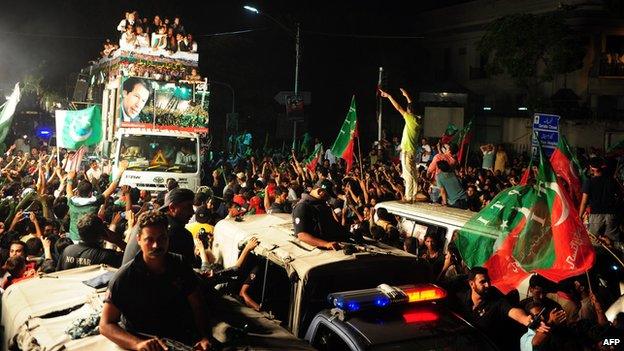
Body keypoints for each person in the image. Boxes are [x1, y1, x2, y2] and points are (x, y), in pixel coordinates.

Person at [100, 211, 212, 350]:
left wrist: (203, 336)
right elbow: (105, 325)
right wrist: (137, 344)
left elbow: (198, 306)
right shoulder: (124, 277)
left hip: (180, 336)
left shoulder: (180, 264)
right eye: (149, 239)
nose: (156, 245)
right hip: (144, 340)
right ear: (139, 239)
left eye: (162, 238)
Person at [456, 267, 548, 351]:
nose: (487, 285)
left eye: (488, 281)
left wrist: (526, 320)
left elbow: (512, 311)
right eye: (482, 282)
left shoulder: (496, 299)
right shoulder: (460, 298)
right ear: (472, 284)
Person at [123, 188, 196, 266]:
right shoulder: (178, 233)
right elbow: (189, 268)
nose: (192, 212)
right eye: (188, 207)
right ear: (172, 208)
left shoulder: (147, 222)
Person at [66, 162, 128, 242]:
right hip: (89, 241)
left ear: (77, 192)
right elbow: (111, 188)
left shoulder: (72, 201)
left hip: (73, 239)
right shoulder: (95, 201)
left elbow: (68, 190)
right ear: (90, 193)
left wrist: (70, 178)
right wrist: (121, 171)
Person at [379, 88, 421, 202]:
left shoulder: (410, 118)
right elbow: (411, 106)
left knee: (407, 174)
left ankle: (409, 196)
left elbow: (398, 108)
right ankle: (414, 193)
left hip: (407, 151)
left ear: (409, 111)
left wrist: (389, 96)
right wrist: (407, 95)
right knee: (413, 173)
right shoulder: (417, 119)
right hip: (412, 151)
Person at [57, 213, 124, 271]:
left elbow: (58, 273)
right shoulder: (106, 256)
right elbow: (130, 258)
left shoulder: (67, 251)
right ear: (101, 233)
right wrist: (117, 241)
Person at [292, 179, 347, 249]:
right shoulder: (302, 207)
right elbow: (302, 235)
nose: (328, 198)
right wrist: (326, 244)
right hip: (317, 249)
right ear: (319, 192)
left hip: (332, 243)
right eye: (327, 196)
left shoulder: (322, 205)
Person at [578, 157, 621, 247]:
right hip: (611, 215)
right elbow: (620, 195)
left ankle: (599, 258)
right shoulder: (612, 181)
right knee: (612, 243)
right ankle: (613, 259)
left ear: (592, 168)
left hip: (596, 216)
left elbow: (584, 202)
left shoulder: (589, 182)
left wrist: (580, 216)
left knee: (595, 242)